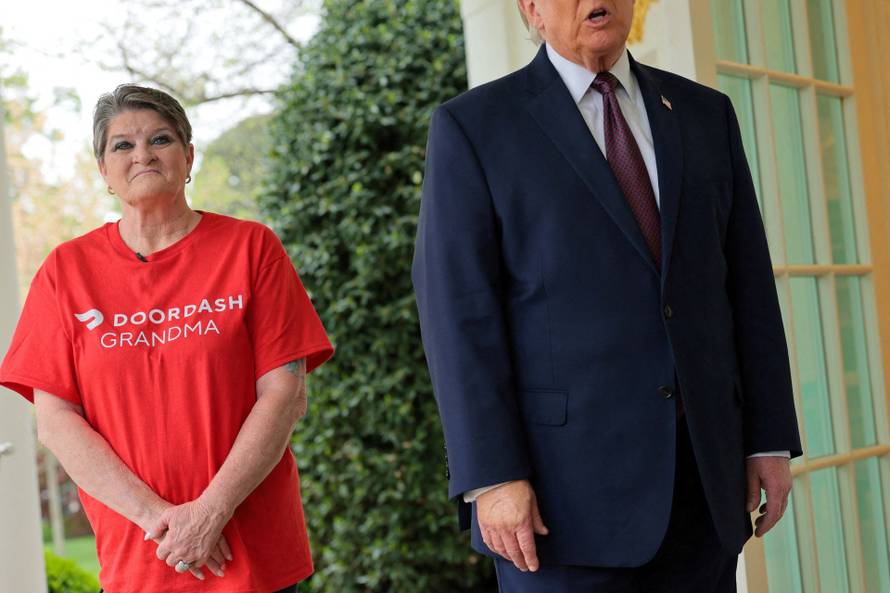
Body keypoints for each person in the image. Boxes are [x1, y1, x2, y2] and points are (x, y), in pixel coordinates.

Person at [412, 1, 802, 591]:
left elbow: (746, 286)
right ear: (532, 10)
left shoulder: (705, 114)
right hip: (559, 509)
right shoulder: (475, 127)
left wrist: (768, 438)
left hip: (703, 490)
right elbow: (457, 315)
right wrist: (491, 476)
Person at [0, 84, 333, 593]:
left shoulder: (250, 249)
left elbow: (284, 393)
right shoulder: (65, 272)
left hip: (252, 555)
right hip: (140, 556)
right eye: (122, 145)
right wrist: (163, 521)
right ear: (103, 170)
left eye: (160, 138)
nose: (143, 154)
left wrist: (213, 509)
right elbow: (56, 421)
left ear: (188, 155)